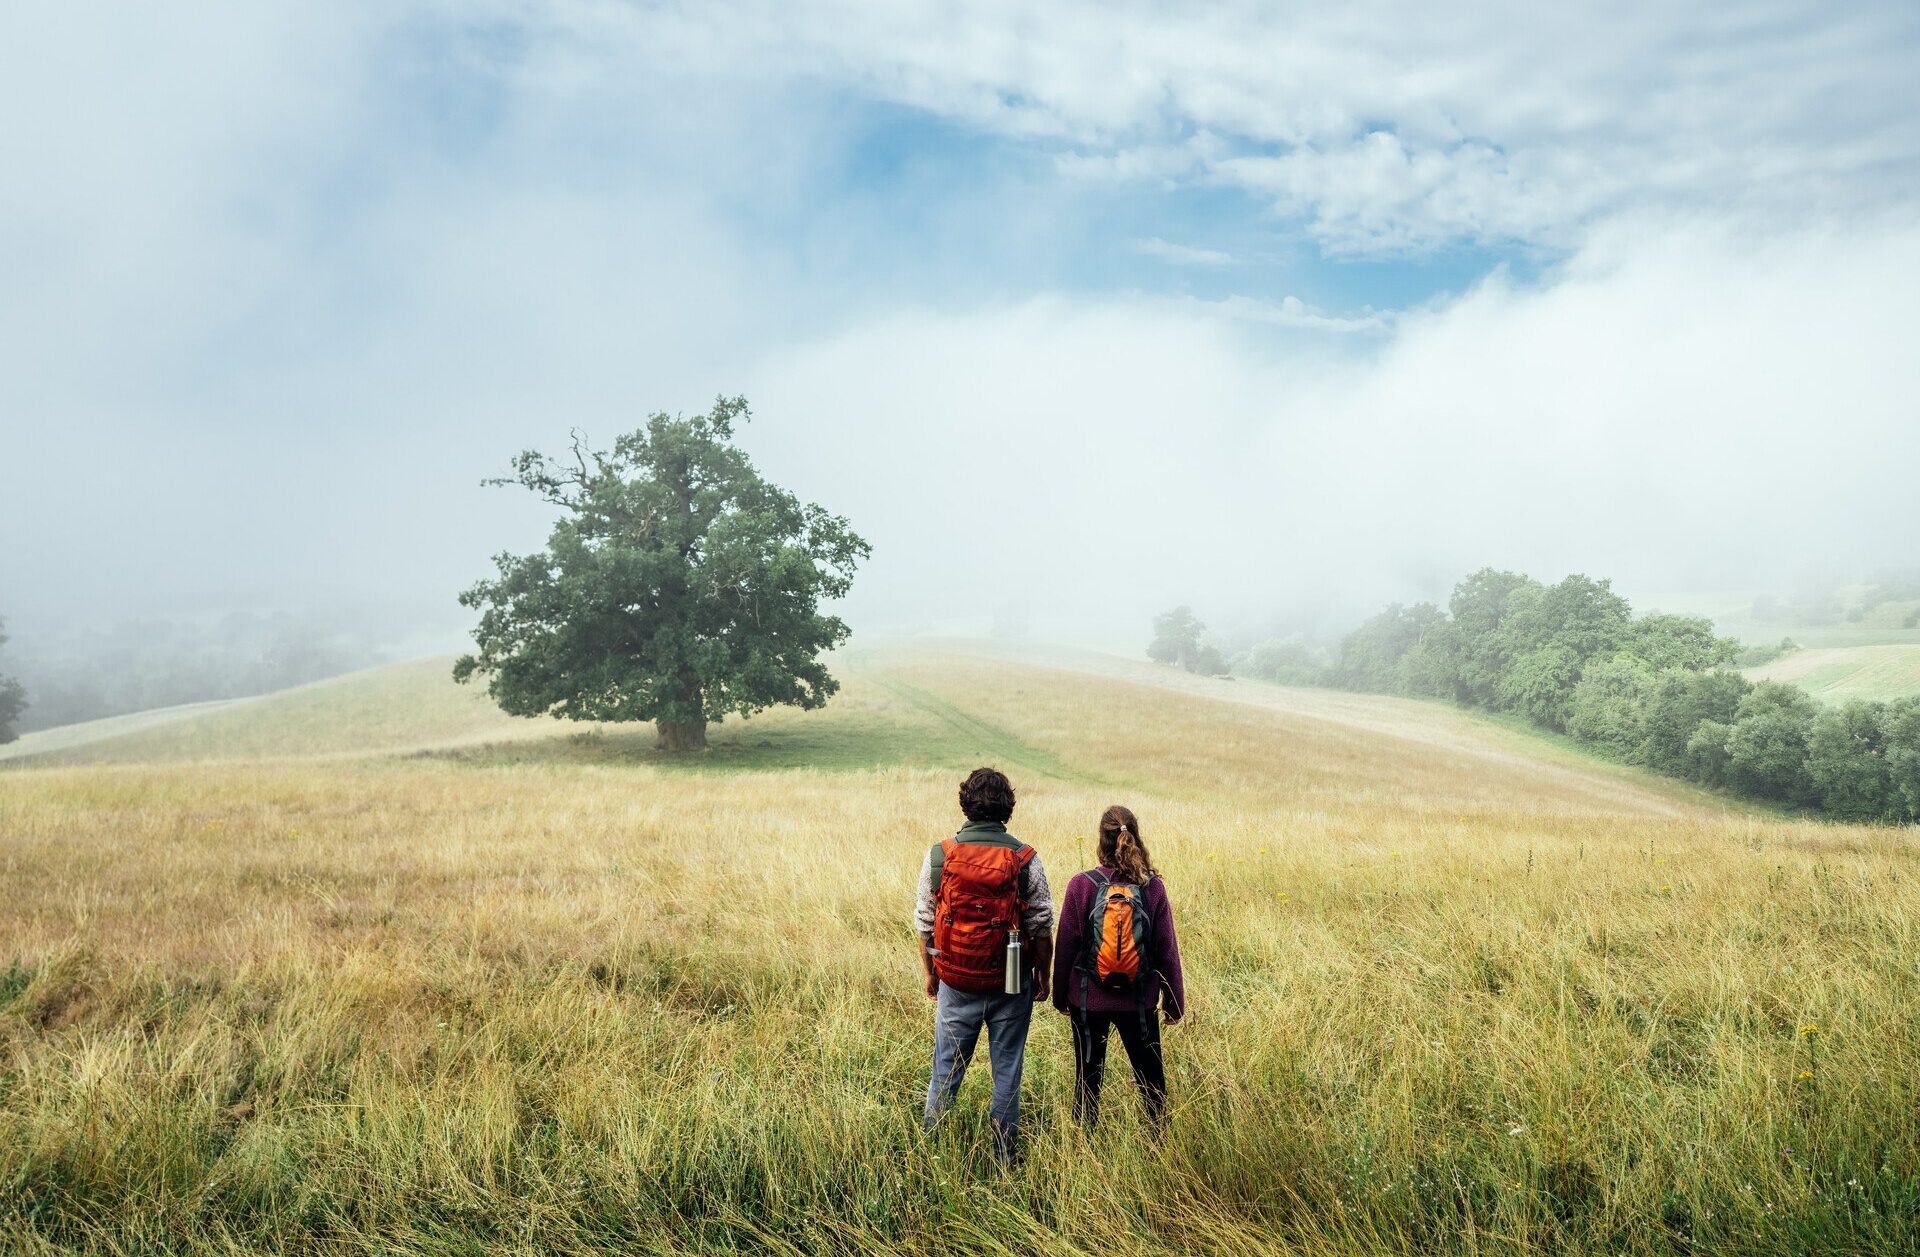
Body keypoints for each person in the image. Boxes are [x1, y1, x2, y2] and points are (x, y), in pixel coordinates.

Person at [915, 766, 1054, 1160]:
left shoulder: (940, 854)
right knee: (1007, 1070)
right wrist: (1043, 975)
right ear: (1007, 806)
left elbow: (925, 921)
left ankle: (931, 1151)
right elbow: (1041, 924)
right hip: (1011, 982)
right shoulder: (1025, 859)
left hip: (956, 981)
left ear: (966, 803)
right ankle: (1005, 1157)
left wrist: (931, 972)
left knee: (946, 1068)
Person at [1051, 804, 1185, 1131]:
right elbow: (1166, 950)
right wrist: (1174, 1002)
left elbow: (1066, 946)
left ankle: (1084, 1148)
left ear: (1101, 841)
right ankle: (1159, 1145)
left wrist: (1060, 997)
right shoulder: (1152, 887)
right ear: (1136, 838)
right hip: (1138, 1003)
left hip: (1086, 1001)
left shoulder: (1080, 885)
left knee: (1087, 1082)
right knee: (1151, 1082)